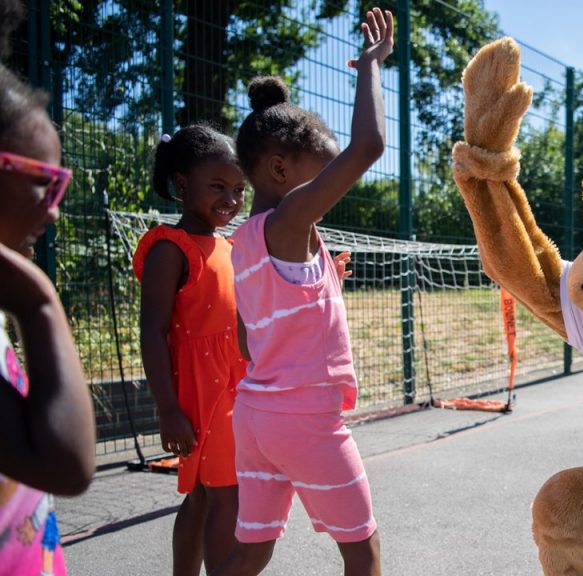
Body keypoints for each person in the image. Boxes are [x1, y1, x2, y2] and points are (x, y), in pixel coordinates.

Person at [211, 8, 392, 576]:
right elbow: (370, 145)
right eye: (324, 169)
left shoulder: (242, 241)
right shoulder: (286, 222)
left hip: (256, 417)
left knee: (251, 551)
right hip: (305, 420)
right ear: (280, 170)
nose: (334, 178)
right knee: (362, 549)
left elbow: (248, 338)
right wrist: (369, 65)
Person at [133, 125, 249, 574]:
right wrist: (167, 409)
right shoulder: (170, 247)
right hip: (203, 393)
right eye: (217, 186)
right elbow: (152, 332)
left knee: (203, 494)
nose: (231, 198)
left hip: (234, 385)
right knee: (226, 494)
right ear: (182, 185)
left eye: (239, 189)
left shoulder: (229, 244)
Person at [0, 63, 95, 574]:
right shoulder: (24, 298)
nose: (55, 210)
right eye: (46, 182)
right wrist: (39, 300)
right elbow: (67, 462)